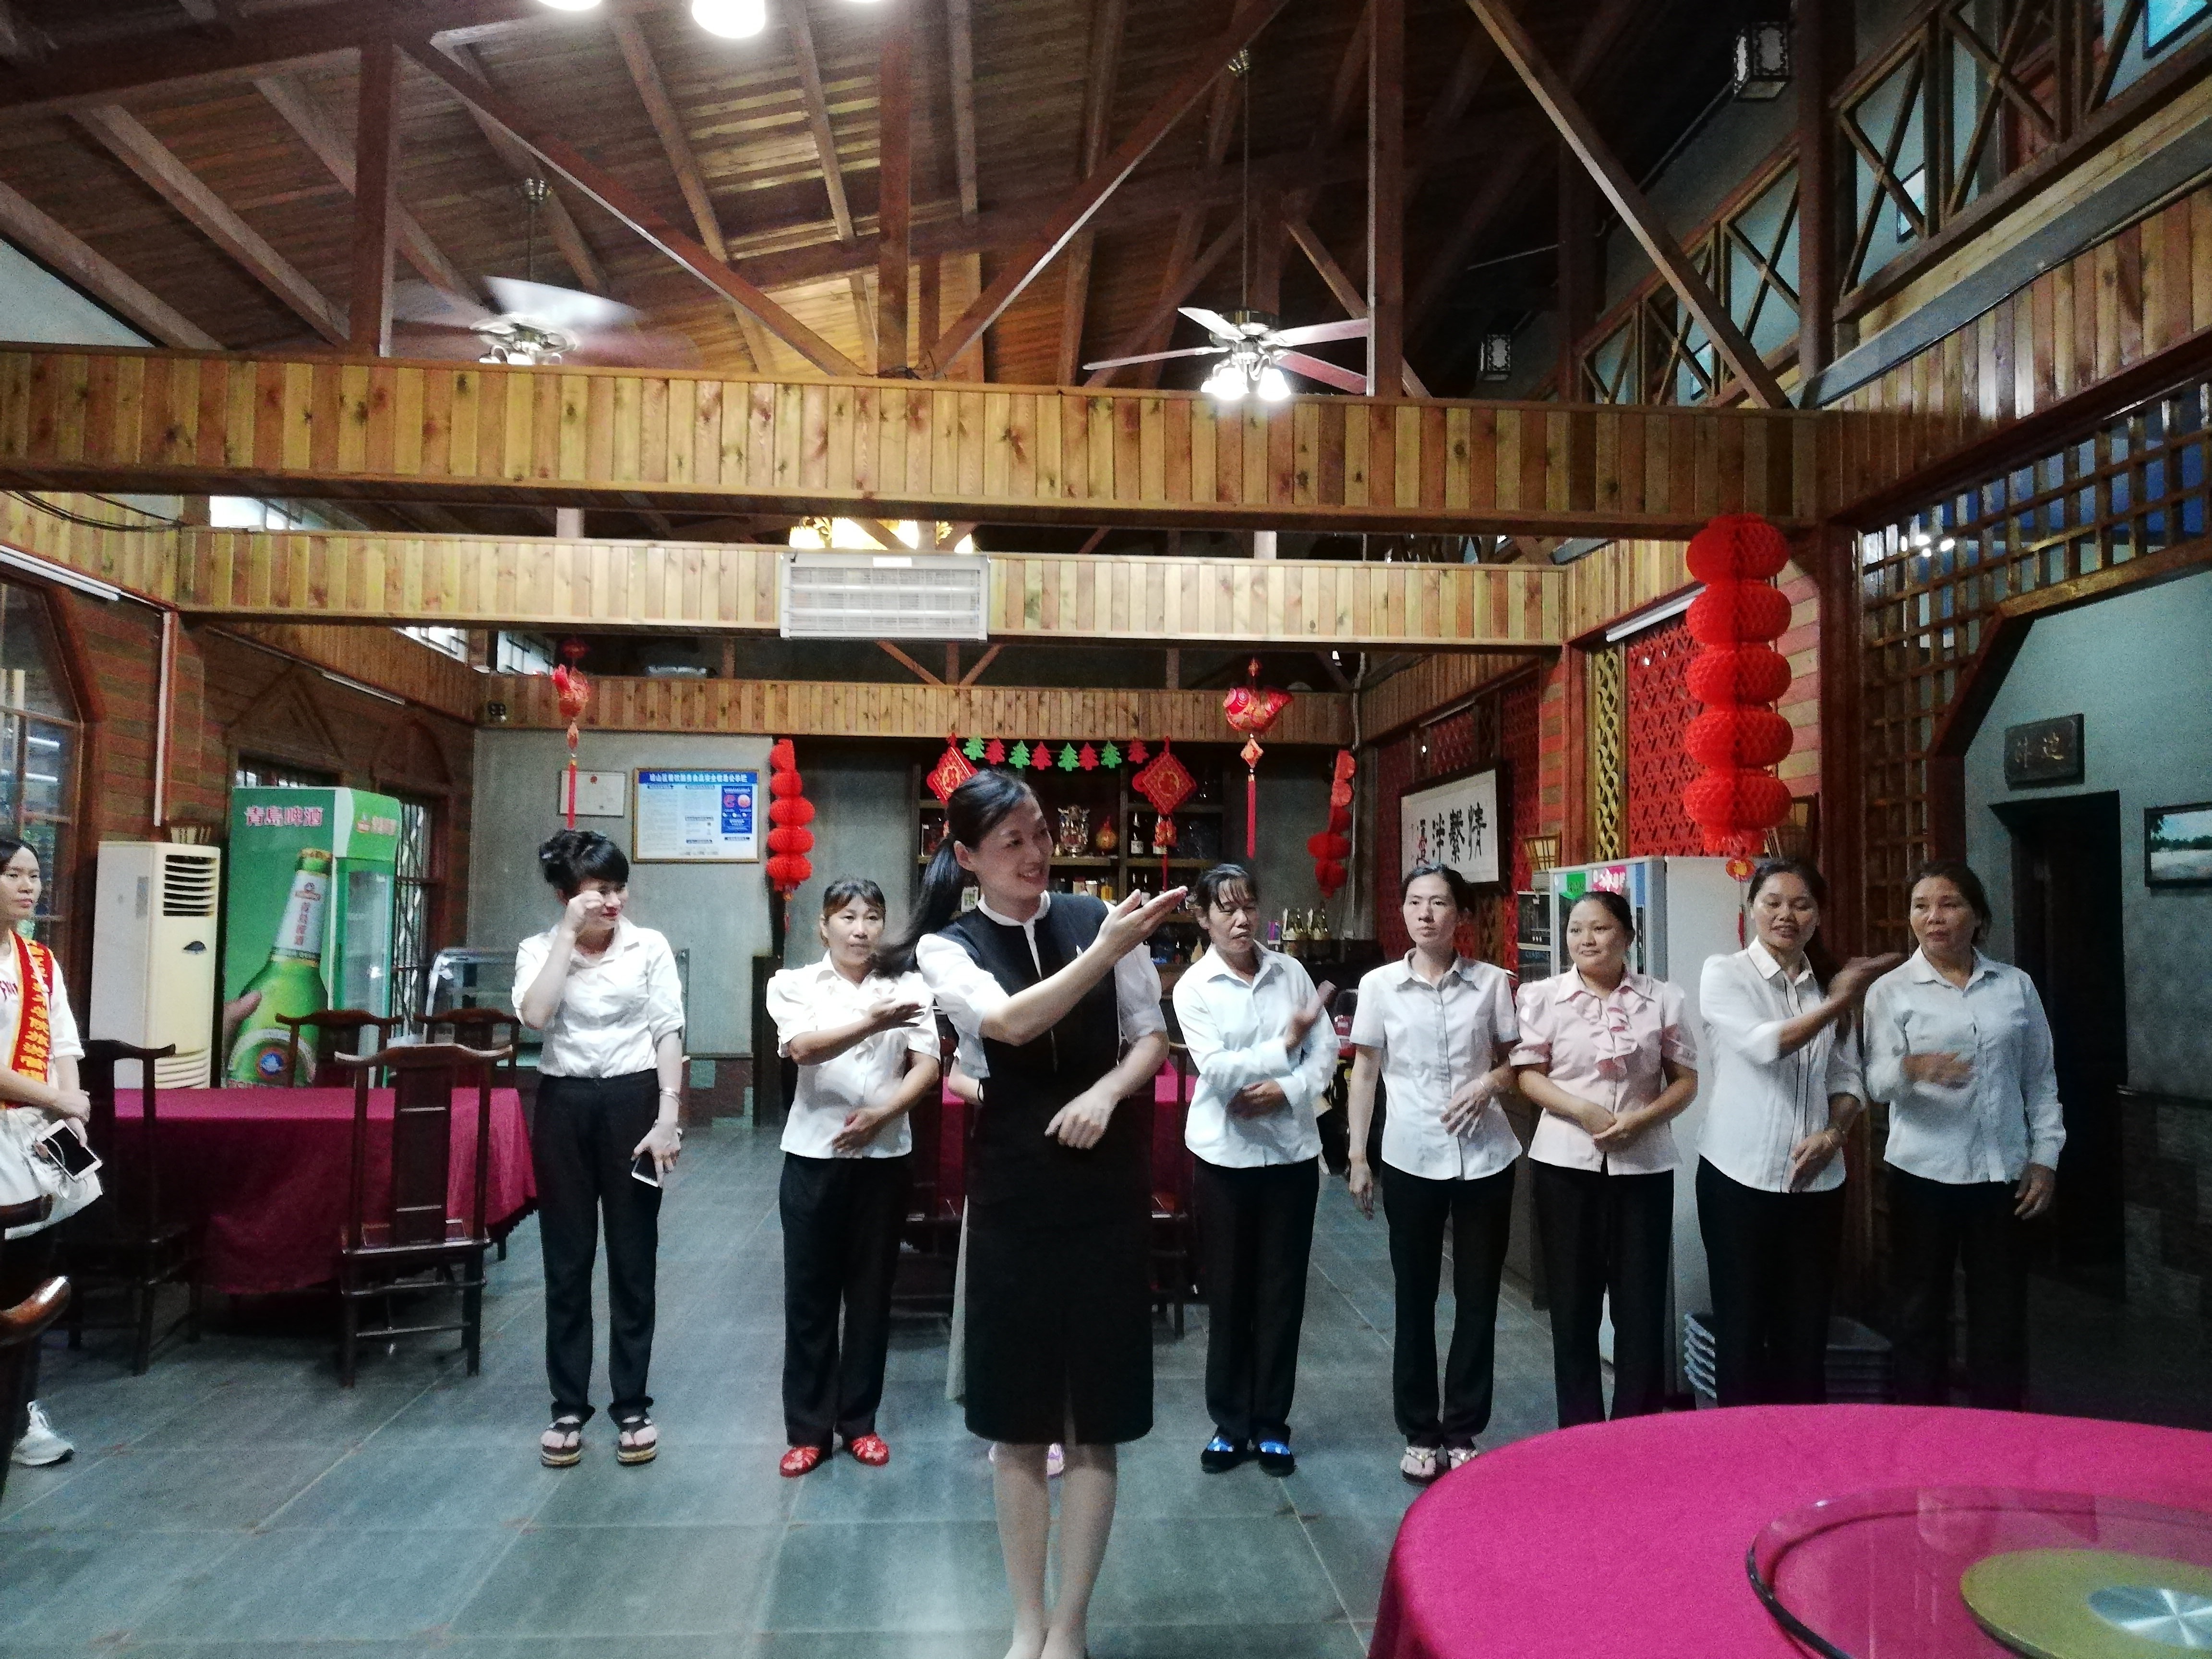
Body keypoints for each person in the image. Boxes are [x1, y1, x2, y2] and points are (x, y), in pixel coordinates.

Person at [881, 769, 1184, 1659]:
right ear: (968, 856)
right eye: (1011, 841)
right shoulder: (947, 947)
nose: (1035, 852)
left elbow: (1151, 1037)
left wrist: (1108, 1092)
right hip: (1014, 1189)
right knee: (1017, 1422)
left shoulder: (1096, 918)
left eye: (1042, 833)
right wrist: (1106, 946)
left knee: (1097, 1418)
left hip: (1106, 1189)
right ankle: (1025, 1623)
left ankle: (1070, 1627)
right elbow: (1010, 1024)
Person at [1696, 859, 1899, 1407]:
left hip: (1817, 1184)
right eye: (1773, 902)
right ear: (1752, 908)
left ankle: (1803, 1452)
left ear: (1818, 915)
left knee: (1806, 1335)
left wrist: (1834, 1134)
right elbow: (1767, 1044)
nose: (1786, 914)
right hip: (1737, 1180)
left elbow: (1848, 1077)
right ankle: (1744, 1450)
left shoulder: (1828, 982)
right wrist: (1840, 1000)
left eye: (1802, 904)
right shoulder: (1725, 974)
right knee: (1742, 1332)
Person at [1343, 864, 1522, 1483]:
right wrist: (1358, 1157)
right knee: (1414, 1296)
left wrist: (1490, 1083)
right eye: (1415, 902)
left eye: (1440, 903)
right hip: (1411, 1156)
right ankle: (1420, 1430)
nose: (1426, 913)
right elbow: (1366, 1072)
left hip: (1486, 1158)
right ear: (1403, 911)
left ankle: (1464, 1427)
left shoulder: (1492, 982)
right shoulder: (1379, 986)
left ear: (1461, 916)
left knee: (1478, 1297)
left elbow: (1517, 1061)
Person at [1864, 858, 2062, 1411]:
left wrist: (2045, 1157)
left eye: (1949, 904)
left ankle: (2000, 1432)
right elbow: (1875, 1082)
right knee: (1919, 1312)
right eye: (1921, 907)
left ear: (1978, 916)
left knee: (2001, 1315)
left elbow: (2040, 1079)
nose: (1934, 918)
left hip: (2002, 1177)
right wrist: (1912, 1068)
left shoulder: (2015, 986)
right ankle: (1922, 1433)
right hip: (1923, 1175)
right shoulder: (1891, 991)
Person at [514, 830, 685, 1469]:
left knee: (634, 1259)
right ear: (566, 897)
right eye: (598, 892)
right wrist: (566, 937)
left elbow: (667, 1030)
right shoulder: (539, 950)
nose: (613, 902)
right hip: (562, 1105)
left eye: (619, 888)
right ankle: (567, 1407)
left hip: (634, 1101)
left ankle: (632, 1404)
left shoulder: (649, 946)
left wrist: (668, 1117)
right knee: (567, 1260)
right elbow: (536, 1016)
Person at [766, 877, 941, 1477]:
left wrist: (883, 1115)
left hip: (884, 1158)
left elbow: (927, 1065)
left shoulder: (908, 985)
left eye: (872, 917)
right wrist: (871, 1023)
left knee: (871, 1297)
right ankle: (808, 1430)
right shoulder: (793, 984)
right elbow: (803, 1049)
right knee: (809, 1297)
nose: (861, 930)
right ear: (824, 926)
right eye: (847, 917)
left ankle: (860, 1423)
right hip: (812, 1157)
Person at [1171, 864, 1336, 1478]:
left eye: (1248, 906)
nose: (1241, 920)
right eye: (1227, 909)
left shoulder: (1290, 972)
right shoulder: (1194, 987)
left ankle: (1271, 1425)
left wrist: (1285, 1090)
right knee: (1229, 1292)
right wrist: (1283, 1046)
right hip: (1225, 1158)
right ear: (1203, 917)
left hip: (1291, 1156)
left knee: (1282, 1293)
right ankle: (1229, 1422)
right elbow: (1216, 1069)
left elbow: (1325, 1052)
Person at [1514, 890, 1699, 1428]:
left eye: (1600, 928)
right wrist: (1582, 1111)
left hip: (1644, 1166)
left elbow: (1685, 1081)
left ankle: (1636, 1429)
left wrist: (1642, 1119)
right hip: (1564, 1166)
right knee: (1573, 1304)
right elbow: (1529, 1076)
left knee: (1640, 1303)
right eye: (1576, 930)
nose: (1586, 940)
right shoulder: (1542, 997)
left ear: (1628, 937)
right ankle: (1580, 1430)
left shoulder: (1663, 998)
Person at [0, 837, 92, 1468]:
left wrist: (72, 1108)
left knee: (33, 1278)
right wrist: (59, 1101)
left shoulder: (39, 960)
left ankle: (20, 1410)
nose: (28, 886)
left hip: (38, 1135)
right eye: (13, 875)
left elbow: (63, 1044)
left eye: (34, 875)